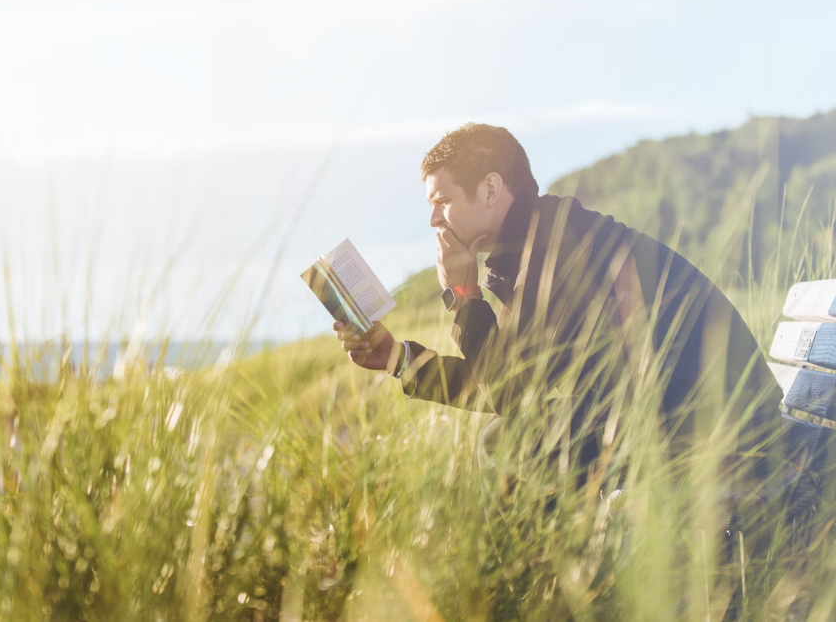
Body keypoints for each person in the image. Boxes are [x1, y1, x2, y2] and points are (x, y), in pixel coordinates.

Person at [333, 123, 804, 531]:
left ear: (491, 189)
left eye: (442, 200)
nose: (433, 218)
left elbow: (506, 391)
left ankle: (565, 594)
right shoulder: (537, 245)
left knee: (508, 441)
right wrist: (397, 358)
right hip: (684, 424)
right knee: (515, 436)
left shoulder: (559, 249)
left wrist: (462, 295)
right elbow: (507, 382)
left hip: (728, 442)